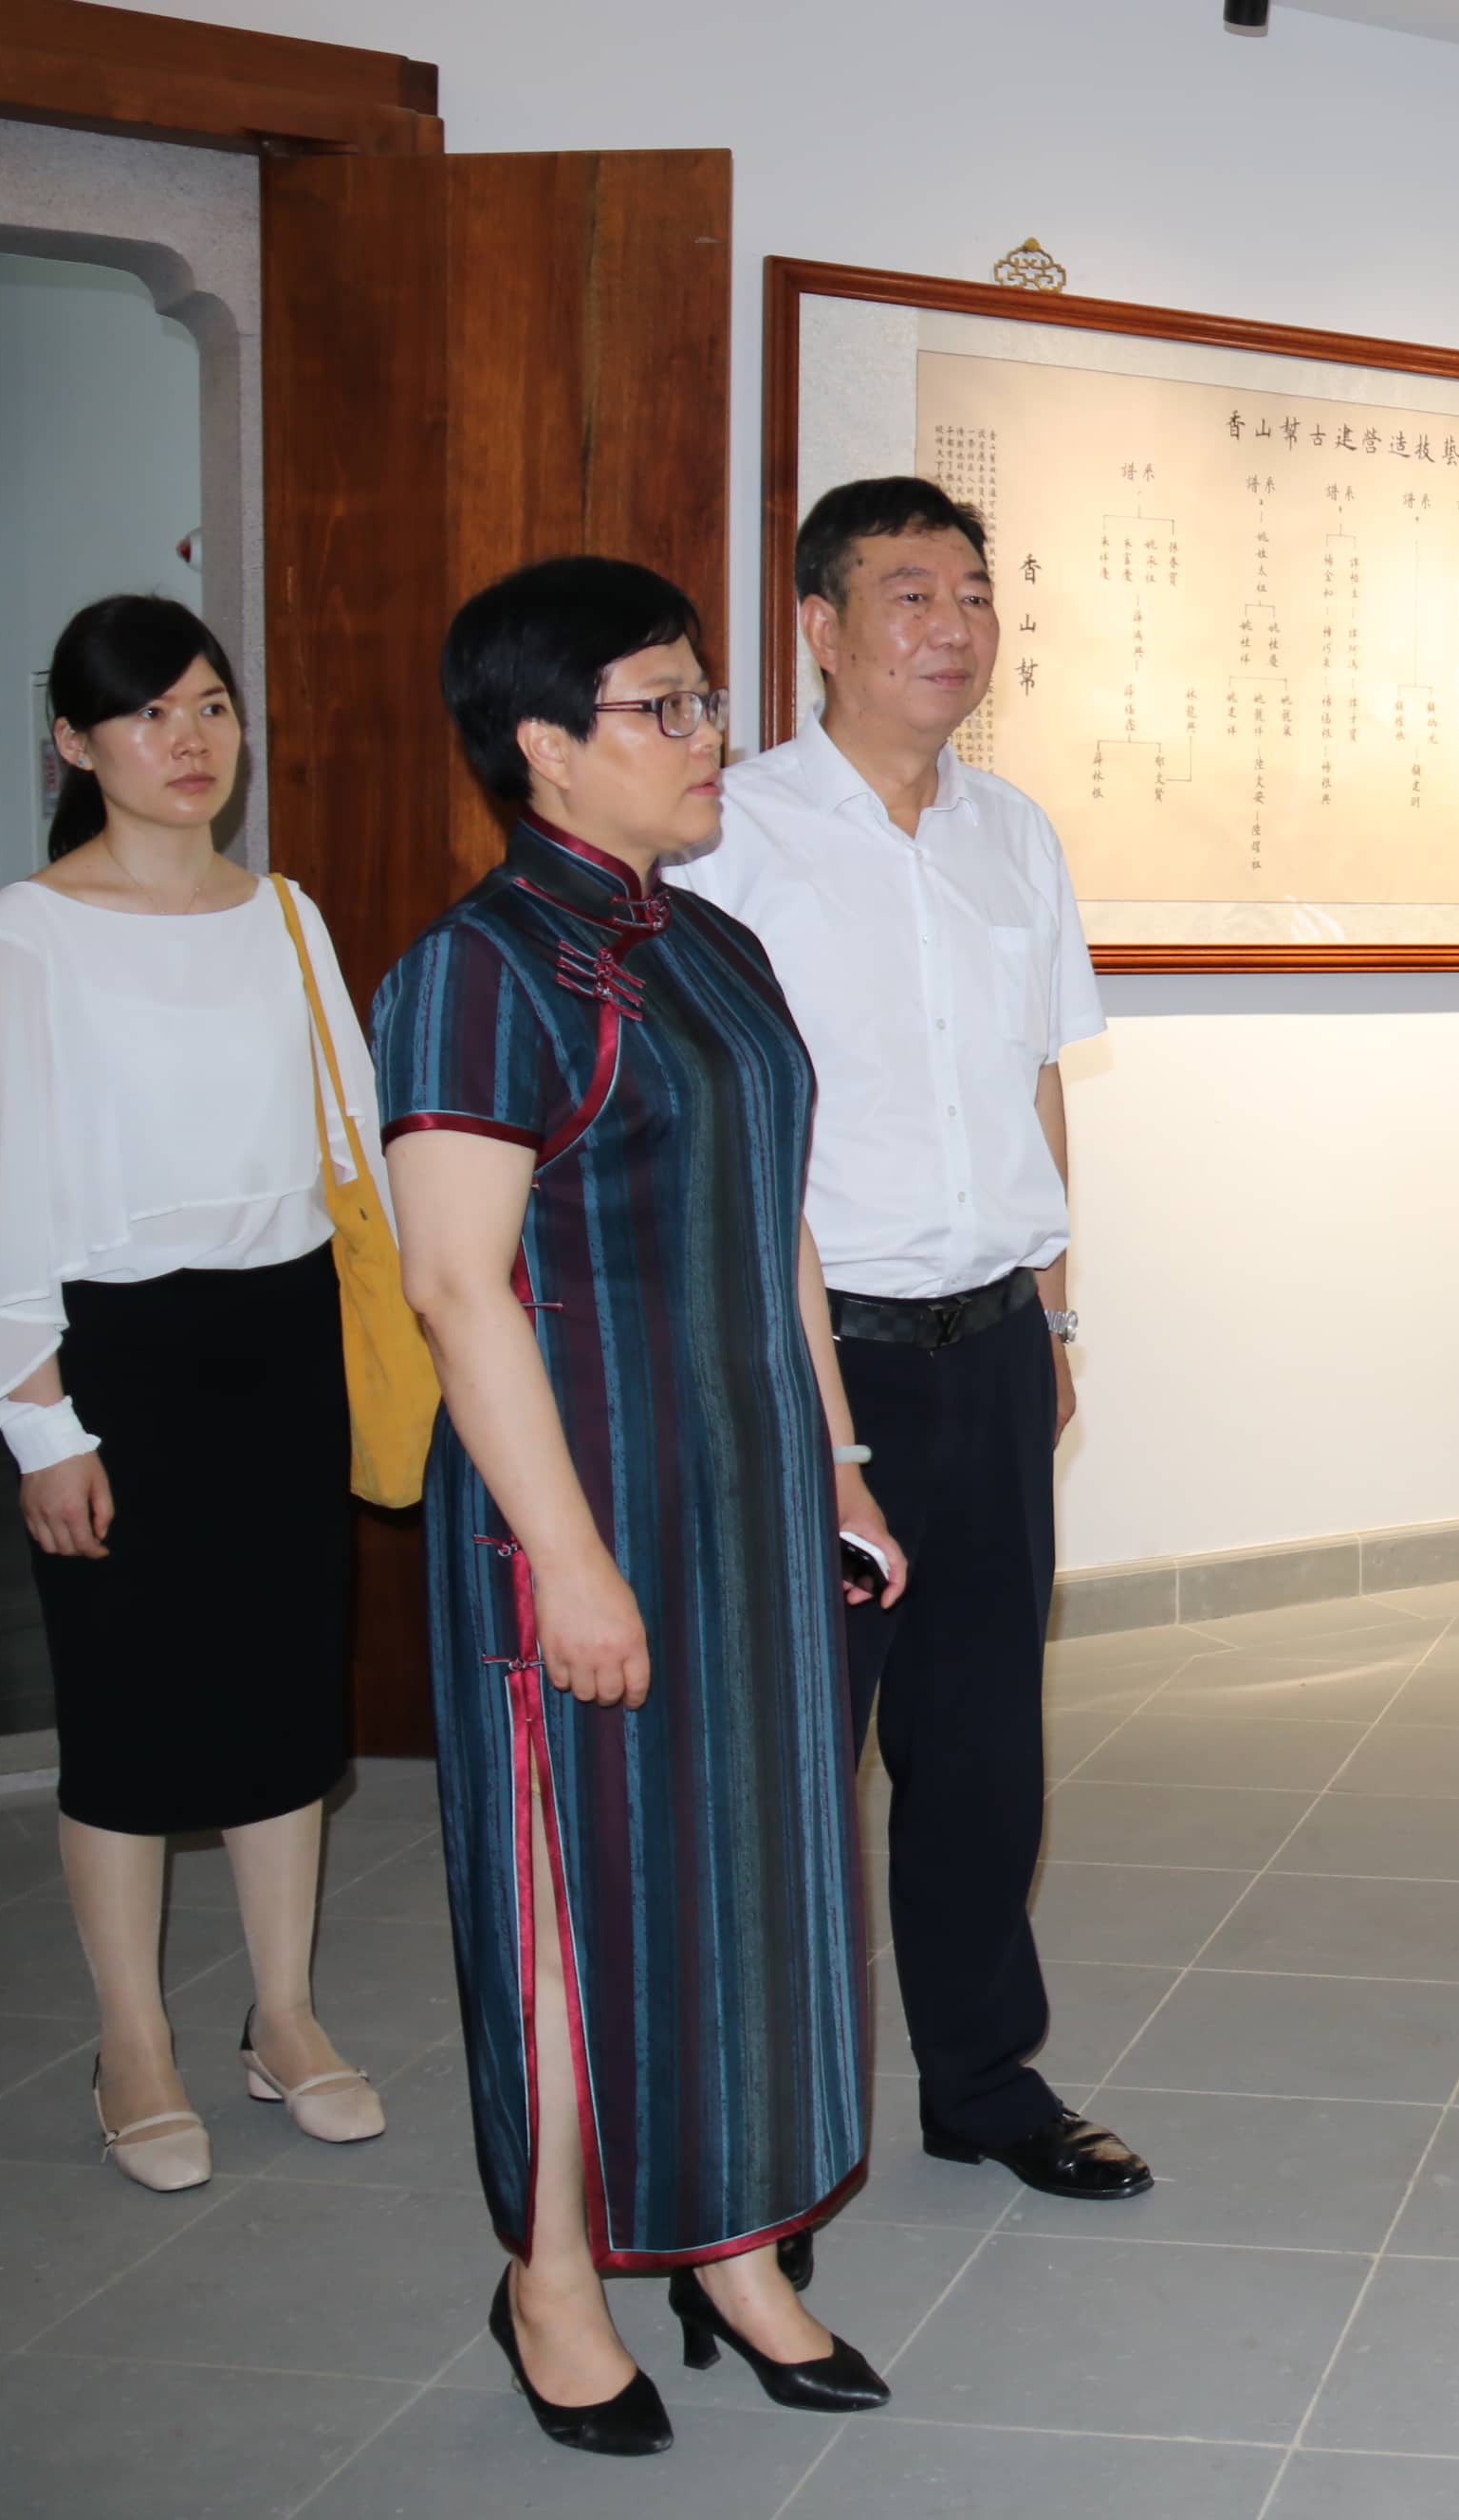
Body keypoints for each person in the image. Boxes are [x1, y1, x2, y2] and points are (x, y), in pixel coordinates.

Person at [379, 557, 907, 2455]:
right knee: (568, 1905)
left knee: (749, 1879)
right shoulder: (478, 970)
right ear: (542, 745)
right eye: (662, 706)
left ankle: (734, 2248)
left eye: (705, 699)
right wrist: (570, 1562)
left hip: (744, 1500)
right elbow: (458, 1289)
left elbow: (780, 1232)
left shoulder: (712, 945)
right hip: (578, 1504)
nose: (707, 738)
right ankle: (548, 2277)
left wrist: (835, 1461)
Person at [665, 477, 1145, 2209]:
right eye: (911, 594)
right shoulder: (730, 833)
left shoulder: (1015, 832)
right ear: (820, 626)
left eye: (974, 594)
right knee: (797, 1753)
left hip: (993, 1347)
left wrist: (1059, 1311)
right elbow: (724, 1133)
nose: (954, 627)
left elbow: (1037, 1085)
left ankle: (984, 2081)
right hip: (814, 1359)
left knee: (984, 1745)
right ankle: (765, 2124)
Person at [0, 594, 385, 2196]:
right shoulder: (25, 935)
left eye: (210, 707)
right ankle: (133, 2042)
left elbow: (349, 1154)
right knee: (125, 1710)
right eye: (146, 714)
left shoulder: (287, 918)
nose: (188, 742)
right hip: (111, 1357)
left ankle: (284, 2015)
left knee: (283, 1696)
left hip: (282, 1341)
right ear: (73, 742)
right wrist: (42, 1423)